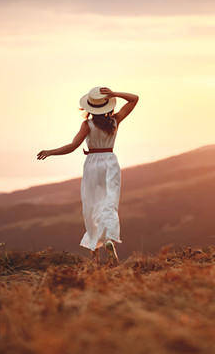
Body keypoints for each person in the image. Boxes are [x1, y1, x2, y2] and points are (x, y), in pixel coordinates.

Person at [36, 86, 139, 264]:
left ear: (89, 108)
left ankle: (95, 251)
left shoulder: (87, 125)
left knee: (91, 205)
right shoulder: (114, 121)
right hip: (110, 162)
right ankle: (108, 239)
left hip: (92, 165)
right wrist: (115, 94)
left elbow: (72, 146)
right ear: (107, 105)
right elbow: (134, 98)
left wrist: (51, 152)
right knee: (109, 202)